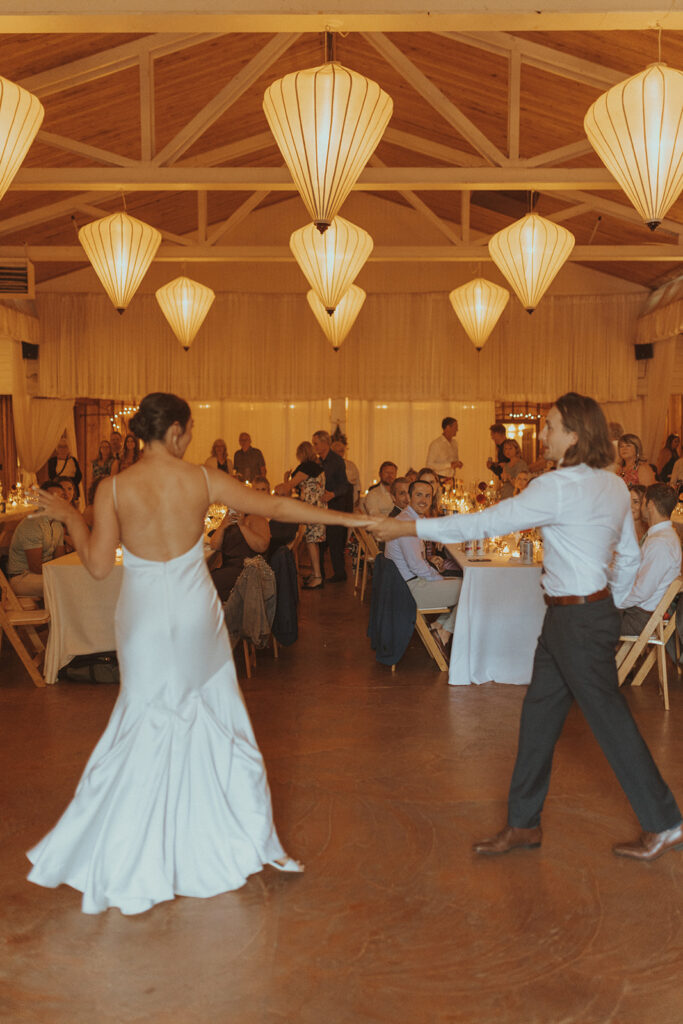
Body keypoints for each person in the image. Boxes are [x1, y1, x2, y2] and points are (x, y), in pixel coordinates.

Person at [27, 392, 373, 915]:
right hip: (193, 613)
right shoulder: (202, 479)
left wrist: (74, 516)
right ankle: (211, 838)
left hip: (143, 615)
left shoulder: (113, 487)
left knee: (144, 719)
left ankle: (133, 850)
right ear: (177, 433)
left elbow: (99, 567)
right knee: (211, 715)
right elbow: (276, 507)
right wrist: (352, 521)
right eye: (187, 431)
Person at [371, 393, 683, 862]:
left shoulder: (555, 487)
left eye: (551, 426)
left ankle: (664, 822)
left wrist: (410, 530)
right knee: (538, 719)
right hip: (574, 617)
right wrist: (605, 606)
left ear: (574, 435)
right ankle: (523, 825)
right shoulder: (614, 487)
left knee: (610, 722)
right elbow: (631, 558)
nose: (542, 434)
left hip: (576, 620)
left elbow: (489, 520)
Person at [384, 479, 461, 658]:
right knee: (471, 588)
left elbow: (418, 562)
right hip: (409, 591)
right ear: (409, 497)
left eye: (428, 496)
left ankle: (437, 626)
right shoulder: (407, 524)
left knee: (464, 583)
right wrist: (440, 580)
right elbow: (417, 566)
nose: (424, 500)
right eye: (419, 495)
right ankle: (444, 633)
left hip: (404, 585)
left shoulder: (410, 518)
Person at [620, 484, 681, 637]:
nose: (640, 507)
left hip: (639, 618)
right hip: (638, 612)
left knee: (581, 619)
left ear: (650, 505)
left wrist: (614, 601)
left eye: (642, 502)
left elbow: (641, 592)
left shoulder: (660, 543)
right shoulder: (664, 536)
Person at [275, 441, 326, 590]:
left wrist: (285, 480)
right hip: (318, 508)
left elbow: (287, 488)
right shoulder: (317, 468)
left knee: (311, 542)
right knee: (313, 542)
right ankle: (315, 574)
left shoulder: (306, 468)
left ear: (301, 454)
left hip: (311, 510)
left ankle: (317, 577)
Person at [209, 483, 271, 603]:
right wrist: (222, 526)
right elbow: (214, 545)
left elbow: (262, 546)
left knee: (202, 584)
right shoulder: (228, 520)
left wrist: (242, 526)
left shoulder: (256, 518)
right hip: (228, 569)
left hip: (248, 572)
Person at [7, 480, 66, 598]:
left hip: (44, 574)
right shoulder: (33, 523)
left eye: (61, 498)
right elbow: (35, 567)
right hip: (21, 577)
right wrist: (60, 575)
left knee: (71, 580)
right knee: (63, 584)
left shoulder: (57, 524)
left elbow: (59, 560)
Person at [312, 429, 352, 582]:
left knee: (335, 543)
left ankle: (340, 574)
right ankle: (319, 574)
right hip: (321, 508)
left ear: (324, 443)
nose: (314, 446)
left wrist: (332, 494)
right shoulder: (318, 461)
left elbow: (345, 485)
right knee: (320, 541)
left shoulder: (336, 461)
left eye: (316, 443)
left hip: (335, 506)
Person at [331, 436, 361, 509]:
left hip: (348, 497)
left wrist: (358, 498)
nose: (339, 454)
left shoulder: (351, 465)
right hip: (333, 497)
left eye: (341, 451)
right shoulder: (329, 465)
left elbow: (358, 483)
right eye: (336, 451)